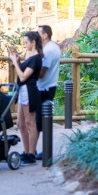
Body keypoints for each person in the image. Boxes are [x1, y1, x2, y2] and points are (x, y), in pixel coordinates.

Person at [9, 31, 43, 166]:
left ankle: (32, 153)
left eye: (26, 42)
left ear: (33, 42)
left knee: (30, 123)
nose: (25, 45)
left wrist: (15, 63)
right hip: (23, 91)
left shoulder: (36, 58)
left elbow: (23, 77)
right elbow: (22, 73)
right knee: (20, 124)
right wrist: (17, 61)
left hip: (29, 91)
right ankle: (26, 151)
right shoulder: (29, 57)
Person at [34, 25, 61, 160]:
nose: (36, 35)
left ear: (45, 35)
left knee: (39, 120)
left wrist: (27, 73)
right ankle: (38, 151)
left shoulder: (49, 50)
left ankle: (41, 152)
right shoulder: (51, 47)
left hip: (45, 87)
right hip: (48, 86)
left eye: (38, 33)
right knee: (40, 119)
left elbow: (42, 72)